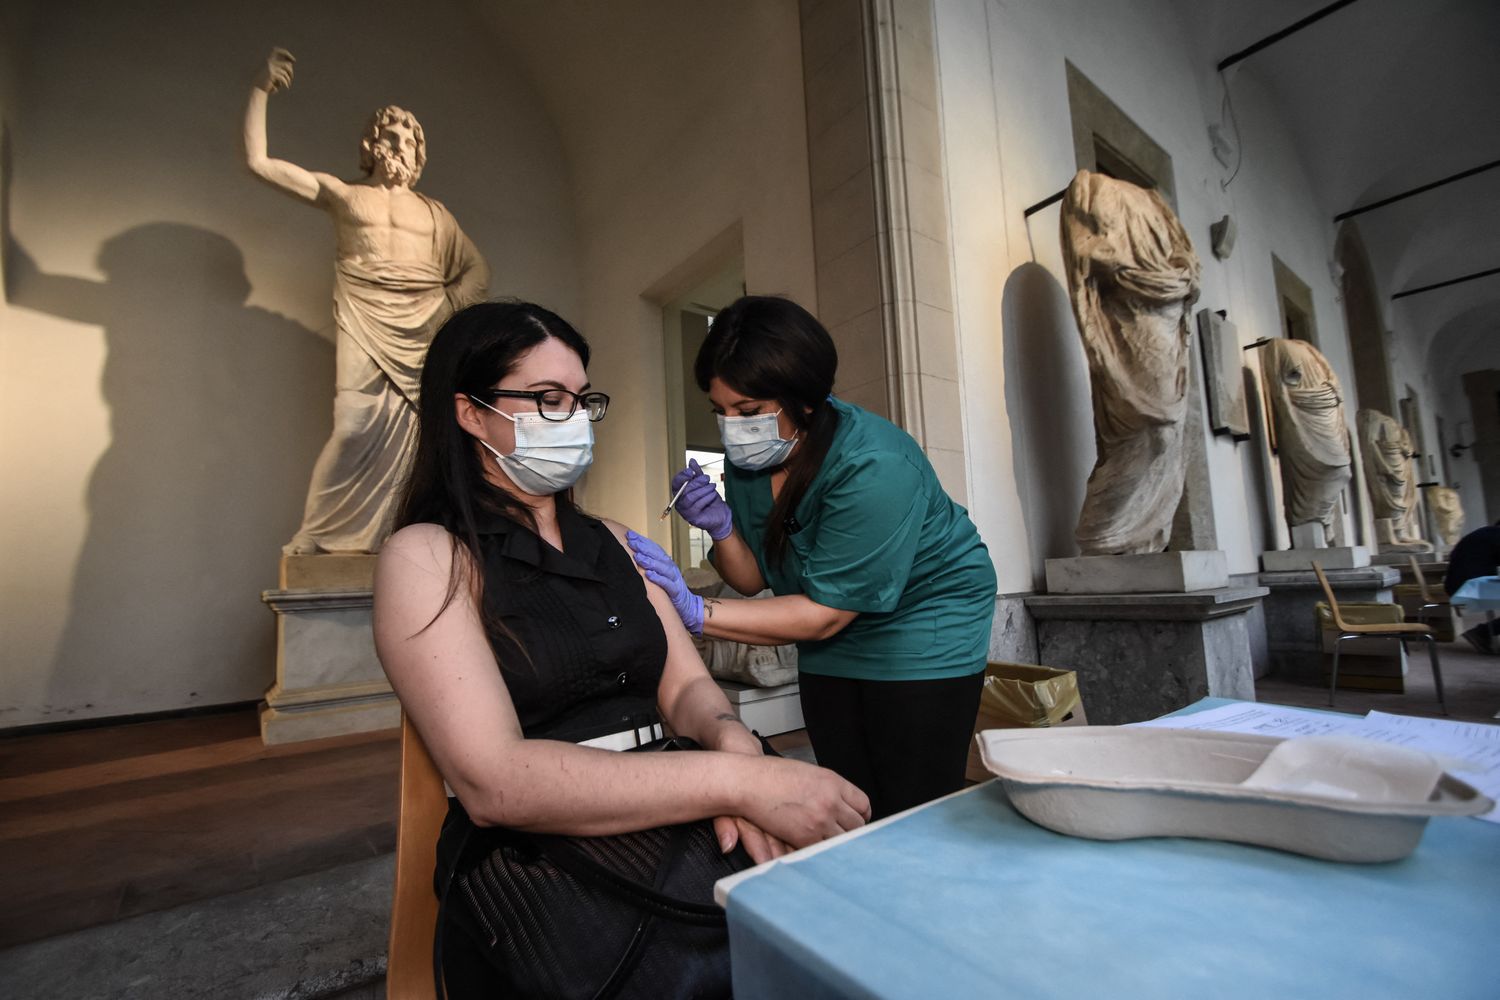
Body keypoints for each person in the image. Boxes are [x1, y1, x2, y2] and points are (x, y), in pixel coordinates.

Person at [372, 300, 869, 994]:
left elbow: (686, 686)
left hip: (682, 800)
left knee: (843, 935)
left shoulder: (613, 539)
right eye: (547, 399)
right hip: (543, 851)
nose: (573, 419)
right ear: (470, 412)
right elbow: (496, 780)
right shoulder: (428, 557)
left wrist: (728, 739)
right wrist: (741, 780)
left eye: (581, 400)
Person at [628, 295, 998, 820]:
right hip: (825, 618)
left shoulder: (874, 464)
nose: (732, 428)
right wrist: (722, 527)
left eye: (748, 411)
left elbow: (825, 615)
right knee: (847, 792)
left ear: (804, 399)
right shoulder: (753, 456)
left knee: (914, 805)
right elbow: (754, 579)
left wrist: (696, 611)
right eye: (721, 412)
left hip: (923, 619)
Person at [246, 47, 490, 554]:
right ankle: (317, 534)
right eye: (391, 135)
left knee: (425, 439)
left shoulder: (435, 213)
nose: (399, 145)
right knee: (355, 425)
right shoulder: (344, 194)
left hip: (426, 325)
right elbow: (259, 163)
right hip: (366, 318)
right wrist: (260, 90)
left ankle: (406, 533)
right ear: (371, 143)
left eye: (409, 139)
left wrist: (446, 309)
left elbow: (476, 269)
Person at [1444, 521, 1500, 653]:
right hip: (1469, 587)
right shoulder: (1495, 535)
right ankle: (1483, 632)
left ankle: (1483, 632)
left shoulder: (1486, 534)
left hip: (1463, 585)